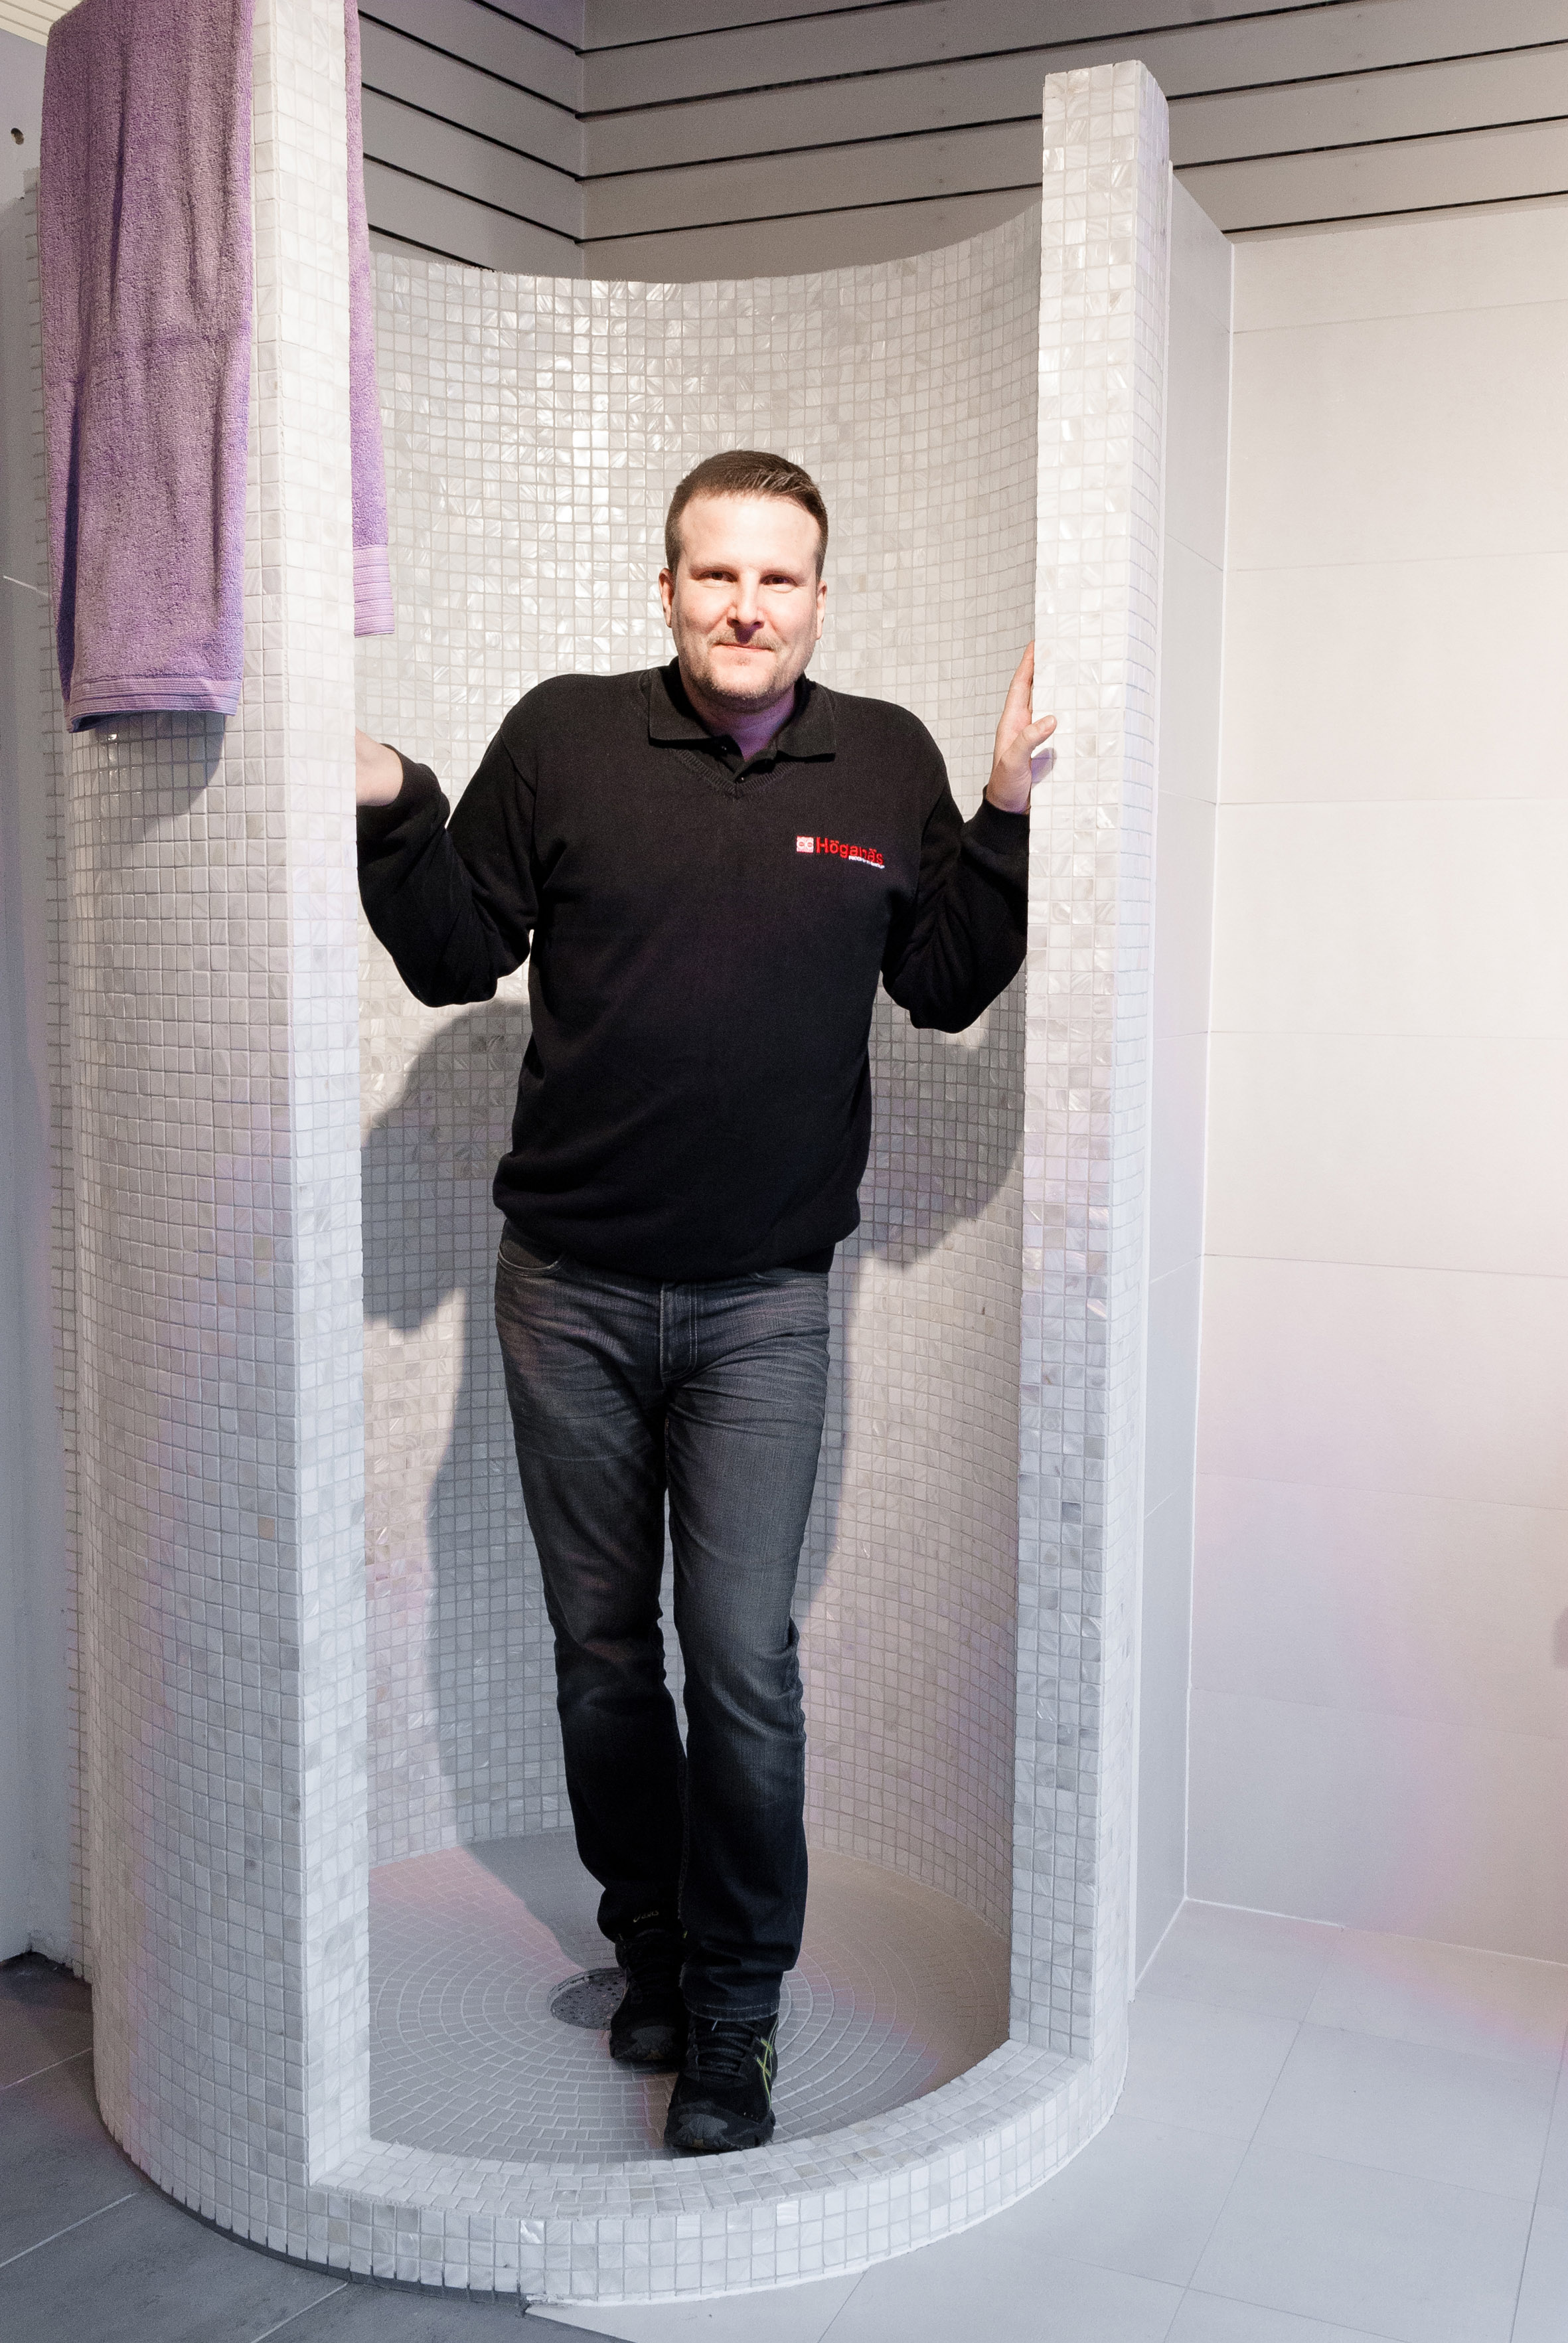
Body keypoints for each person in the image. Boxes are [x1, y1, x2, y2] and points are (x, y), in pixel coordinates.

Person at [354, 448, 1056, 2155]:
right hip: (567, 1295)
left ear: (820, 595)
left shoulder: (880, 759)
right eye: (716, 574)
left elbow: (945, 984)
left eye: (778, 578)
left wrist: (1003, 812)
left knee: (740, 1662)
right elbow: (454, 953)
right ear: (664, 587)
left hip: (760, 1310)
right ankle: (653, 1945)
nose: (747, 607)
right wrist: (386, 796)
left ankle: (736, 2012)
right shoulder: (565, 737)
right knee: (605, 1657)